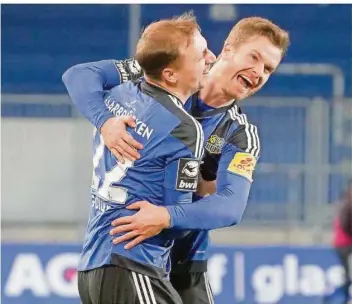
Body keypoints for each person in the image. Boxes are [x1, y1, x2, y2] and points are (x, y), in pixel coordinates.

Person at [63, 17, 289, 303]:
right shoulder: (170, 67)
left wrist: (167, 215)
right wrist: (105, 122)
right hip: (134, 251)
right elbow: (79, 76)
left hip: (184, 260)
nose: (258, 72)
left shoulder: (240, 134)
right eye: (254, 57)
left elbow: (231, 206)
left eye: (268, 69)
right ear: (228, 50)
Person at [63, 12, 215, 304]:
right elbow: (178, 220)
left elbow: (78, 74)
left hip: (95, 263)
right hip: (135, 265)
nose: (211, 58)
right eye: (201, 55)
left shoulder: (117, 94)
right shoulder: (184, 129)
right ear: (170, 74)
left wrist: (105, 121)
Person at [332, 181, 352, 304]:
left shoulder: (344, 202)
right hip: (346, 245)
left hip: (344, 244)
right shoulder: (348, 205)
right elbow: (346, 226)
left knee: (348, 274)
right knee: (348, 275)